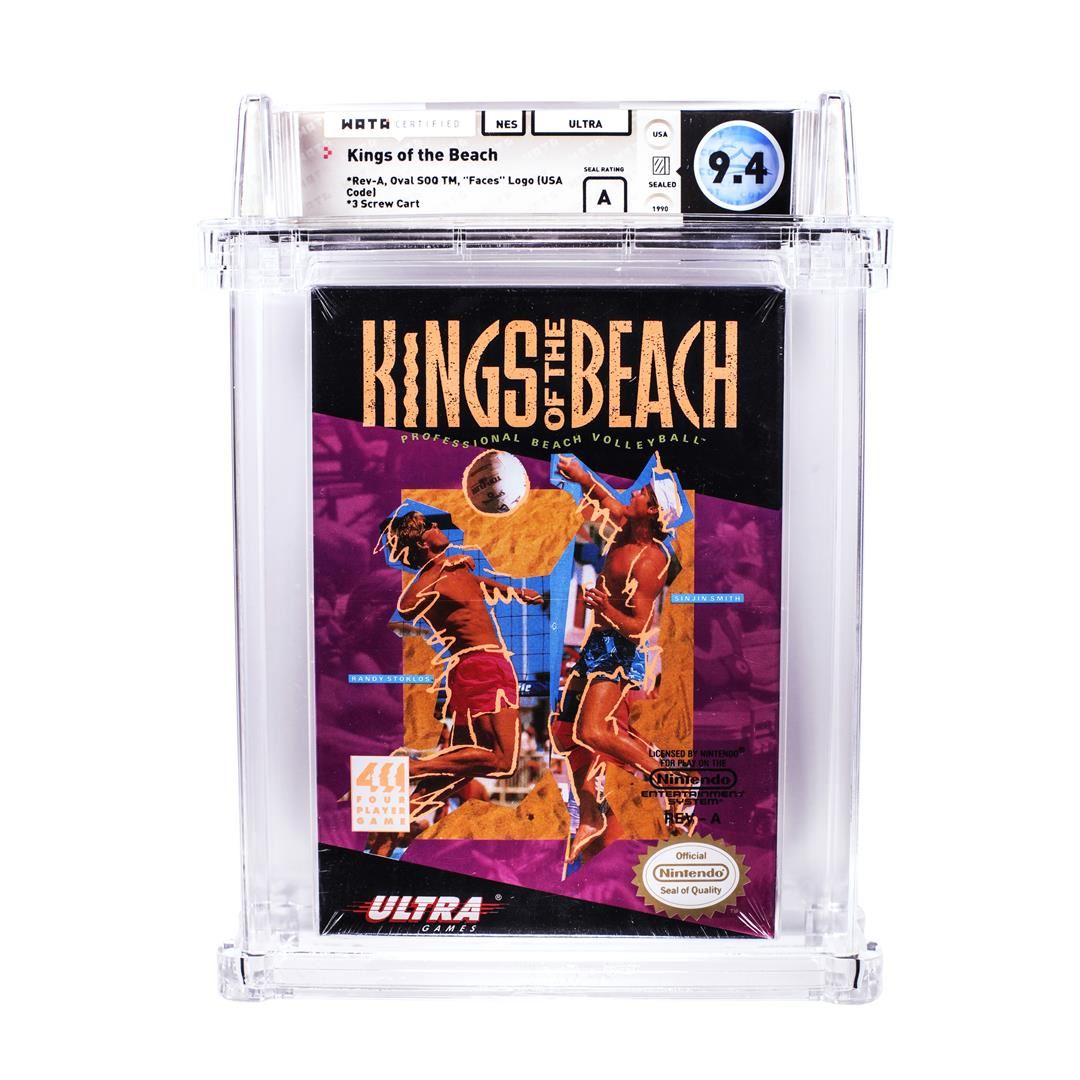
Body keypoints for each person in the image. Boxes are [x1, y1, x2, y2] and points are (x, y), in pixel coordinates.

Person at [550, 455, 694, 862]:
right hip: (599, 641)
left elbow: (637, 626)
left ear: (652, 511)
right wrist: (581, 474)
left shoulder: (649, 561)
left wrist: (603, 608)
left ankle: (670, 781)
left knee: (594, 731)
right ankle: (591, 815)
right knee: (564, 733)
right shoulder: (631, 524)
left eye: (644, 492)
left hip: (619, 647)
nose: (636, 491)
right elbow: (606, 497)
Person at [383, 509, 542, 824]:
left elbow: (476, 583)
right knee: (503, 761)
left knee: (458, 767)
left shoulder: (455, 569)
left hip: (477, 667)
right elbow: (406, 606)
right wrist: (437, 567)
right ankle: (409, 768)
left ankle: (401, 815)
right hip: (482, 664)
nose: (436, 525)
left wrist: (515, 593)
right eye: (429, 526)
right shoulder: (433, 577)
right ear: (422, 542)